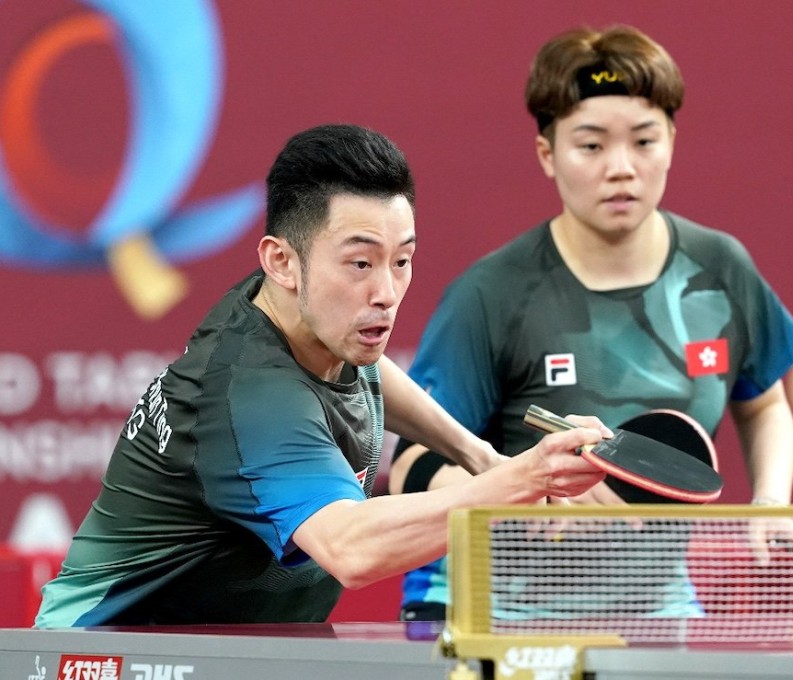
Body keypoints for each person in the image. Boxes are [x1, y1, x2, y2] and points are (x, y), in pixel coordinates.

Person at [34, 123, 612, 628]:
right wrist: (523, 480)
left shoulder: (297, 310)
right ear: (281, 261)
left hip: (221, 650)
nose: (385, 294)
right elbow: (351, 548)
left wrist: (481, 456)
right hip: (110, 656)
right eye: (360, 263)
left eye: (402, 260)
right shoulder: (251, 398)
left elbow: (372, 370)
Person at [388, 25, 793, 623]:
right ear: (548, 154)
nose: (621, 168)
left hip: (656, 606)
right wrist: (521, 494)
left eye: (644, 141)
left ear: (672, 139)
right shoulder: (492, 294)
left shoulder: (719, 270)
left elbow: (764, 404)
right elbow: (412, 463)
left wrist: (772, 504)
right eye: (591, 146)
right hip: (494, 609)